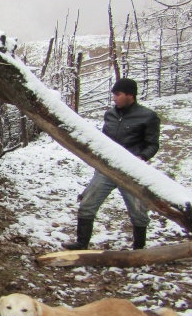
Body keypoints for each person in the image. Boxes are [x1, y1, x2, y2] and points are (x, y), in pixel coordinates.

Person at [62, 78, 160, 251]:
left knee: (138, 213)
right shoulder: (110, 114)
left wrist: (142, 157)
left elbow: (153, 144)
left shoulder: (148, 116)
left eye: (117, 94)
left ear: (130, 95)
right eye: (113, 94)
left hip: (131, 171)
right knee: (87, 205)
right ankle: (81, 243)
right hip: (106, 169)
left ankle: (139, 248)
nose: (114, 98)